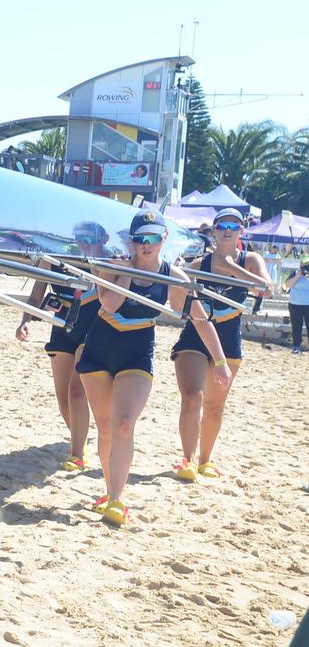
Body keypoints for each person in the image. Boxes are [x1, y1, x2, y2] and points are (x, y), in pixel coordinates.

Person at [78, 210, 228, 526]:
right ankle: (109, 490)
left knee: (123, 424)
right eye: (140, 239)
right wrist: (124, 271)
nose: (146, 245)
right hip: (100, 347)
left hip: (137, 351)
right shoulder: (114, 267)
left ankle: (117, 500)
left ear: (164, 240)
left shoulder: (174, 278)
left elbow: (200, 320)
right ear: (131, 241)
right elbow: (110, 305)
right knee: (105, 428)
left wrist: (222, 362)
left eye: (153, 238)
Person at [172, 209, 271, 480]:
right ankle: (188, 459)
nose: (228, 230)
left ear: (241, 232)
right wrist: (179, 286)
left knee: (215, 406)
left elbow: (266, 288)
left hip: (228, 340)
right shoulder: (196, 265)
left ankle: (206, 460)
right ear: (214, 231)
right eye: (222, 226)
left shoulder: (250, 259)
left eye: (234, 226)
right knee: (193, 397)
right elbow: (176, 305)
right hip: (194, 336)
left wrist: (229, 267)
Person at [16, 276, 93, 472]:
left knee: (77, 392)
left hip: (93, 323)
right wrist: (25, 321)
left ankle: (77, 455)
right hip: (62, 325)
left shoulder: (97, 249)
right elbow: (35, 296)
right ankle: (79, 438)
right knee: (63, 400)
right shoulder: (52, 252)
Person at [288, 264, 309, 353]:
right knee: (296, 326)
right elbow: (287, 285)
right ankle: (296, 345)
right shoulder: (295, 273)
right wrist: (297, 276)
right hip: (295, 304)